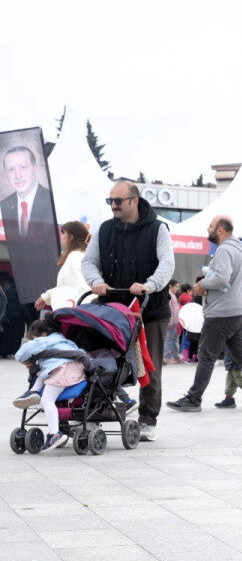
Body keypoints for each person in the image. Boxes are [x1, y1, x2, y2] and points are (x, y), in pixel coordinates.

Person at [81, 179, 175, 442]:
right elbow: (89, 261)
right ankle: (100, 406)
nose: (113, 206)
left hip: (150, 309)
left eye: (118, 201)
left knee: (150, 364)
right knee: (103, 358)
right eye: (110, 201)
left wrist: (149, 285)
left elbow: (167, 264)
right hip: (113, 308)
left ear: (134, 200)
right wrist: (96, 282)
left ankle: (148, 418)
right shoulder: (105, 229)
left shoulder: (158, 229)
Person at [165, 216, 242, 413]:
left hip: (221, 313)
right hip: (236, 311)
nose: (207, 229)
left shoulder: (224, 250)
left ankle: (193, 398)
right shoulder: (238, 251)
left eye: (210, 226)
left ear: (220, 230)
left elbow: (222, 278)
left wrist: (202, 284)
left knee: (206, 354)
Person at [12, 316, 88, 450]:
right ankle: (34, 391)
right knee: (43, 371)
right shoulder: (65, 341)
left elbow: (23, 352)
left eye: (33, 338)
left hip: (62, 369)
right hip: (72, 369)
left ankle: (54, 434)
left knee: (47, 400)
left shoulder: (45, 340)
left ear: (43, 335)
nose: (33, 341)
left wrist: (22, 358)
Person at [1, 145, 60, 302]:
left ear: (35, 167)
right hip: (20, 290)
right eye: (11, 169)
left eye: (23, 167)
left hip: (47, 288)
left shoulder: (52, 201)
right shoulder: (5, 205)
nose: (18, 175)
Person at [34, 221, 91, 312]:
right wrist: (46, 297)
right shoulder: (82, 256)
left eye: (63, 233)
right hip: (84, 311)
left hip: (78, 312)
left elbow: (74, 289)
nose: (61, 237)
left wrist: (45, 297)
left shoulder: (74, 257)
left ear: (71, 237)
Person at [163, 280, 182, 365]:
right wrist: (169, 322)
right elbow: (169, 309)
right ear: (170, 286)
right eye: (176, 286)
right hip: (171, 321)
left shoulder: (173, 295)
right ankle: (166, 357)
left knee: (174, 339)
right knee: (169, 339)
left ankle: (176, 357)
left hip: (175, 321)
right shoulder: (169, 295)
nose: (177, 288)